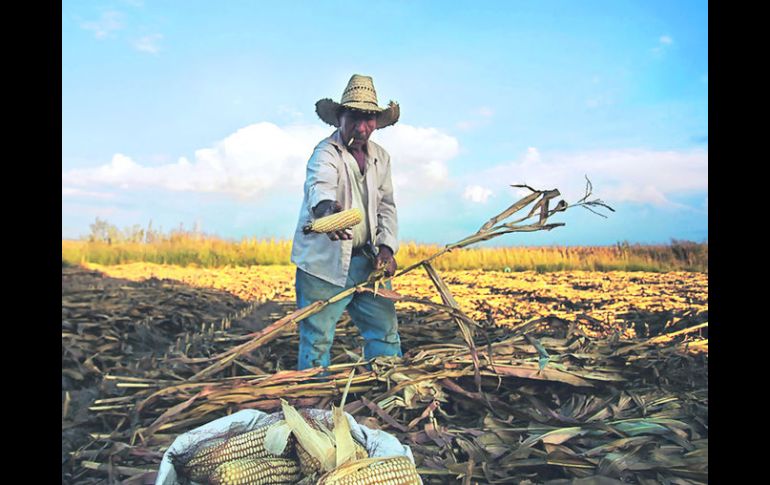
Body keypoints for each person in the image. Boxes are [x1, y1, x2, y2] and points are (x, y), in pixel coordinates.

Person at [290, 74, 402, 371]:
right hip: (323, 266)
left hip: (367, 263)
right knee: (316, 340)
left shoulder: (381, 157)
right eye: (354, 118)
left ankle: (387, 392)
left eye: (369, 119)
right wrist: (327, 212)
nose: (362, 128)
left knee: (385, 335)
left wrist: (387, 249)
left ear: (377, 121)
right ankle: (313, 405)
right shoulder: (325, 153)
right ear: (340, 117)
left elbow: (386, 205)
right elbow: (320, 186)